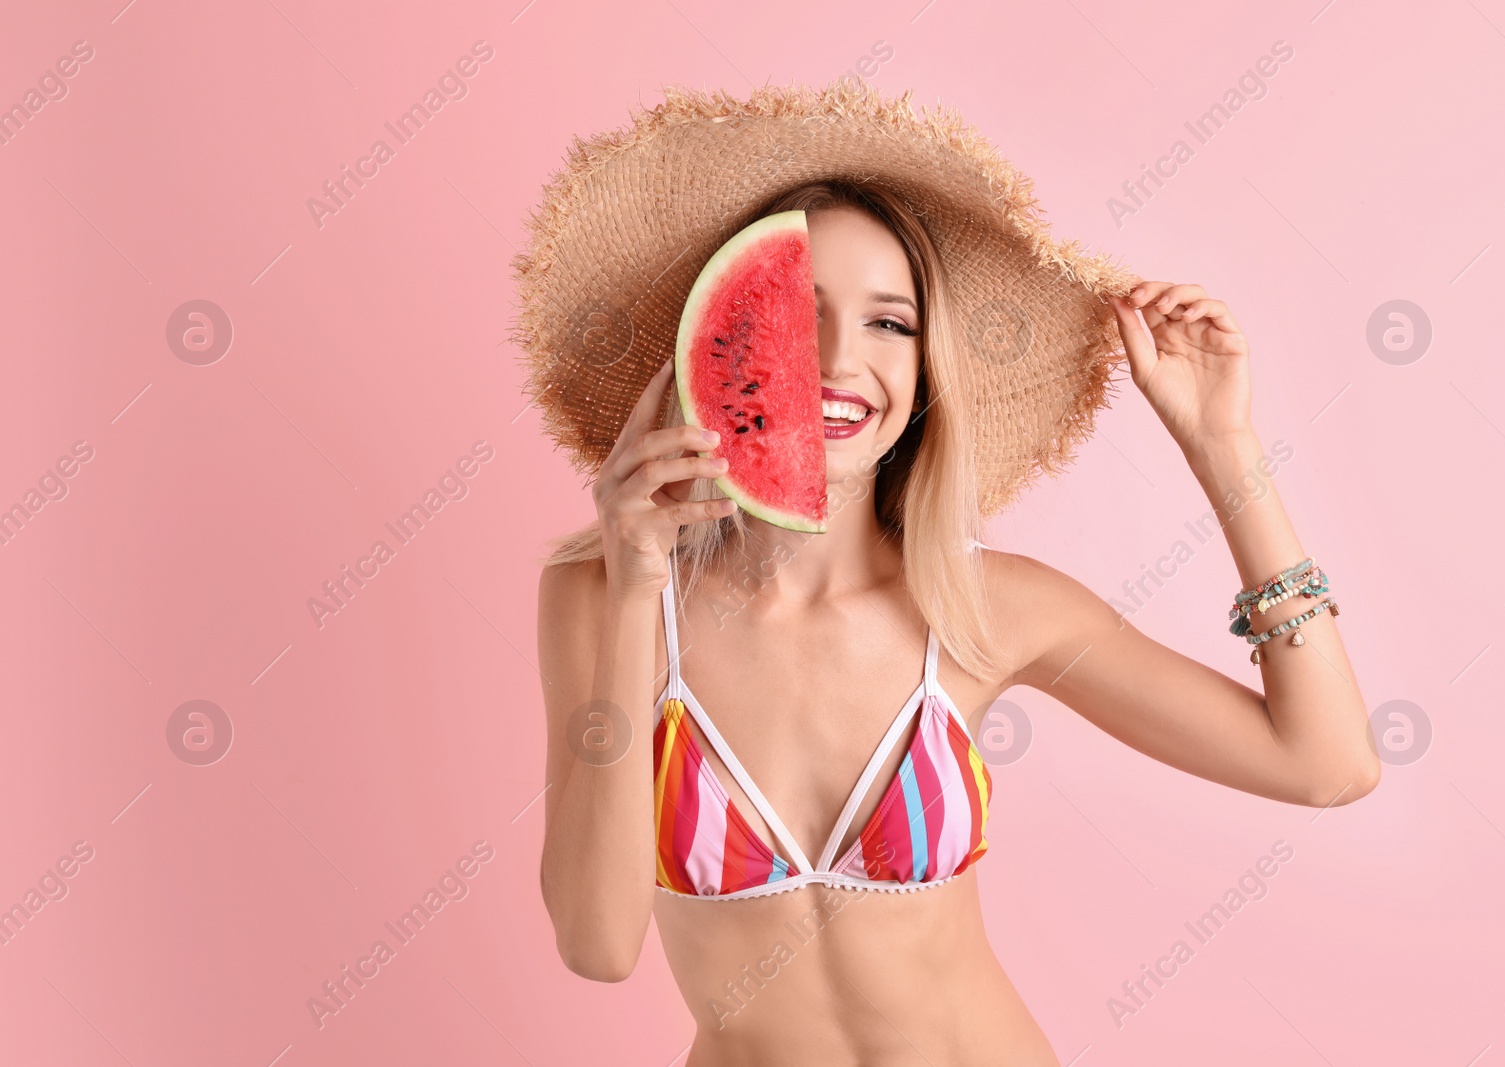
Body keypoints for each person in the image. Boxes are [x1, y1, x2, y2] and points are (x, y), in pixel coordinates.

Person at [517, 80, 1378, 1067]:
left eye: (890, 322)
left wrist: (1225, 450)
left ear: (928, 371)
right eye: (797, 312)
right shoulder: (599, 599)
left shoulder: (984, 609)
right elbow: (596, 942)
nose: (840, 357)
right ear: (718, 345)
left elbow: (1326, 763)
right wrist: (635, 585)